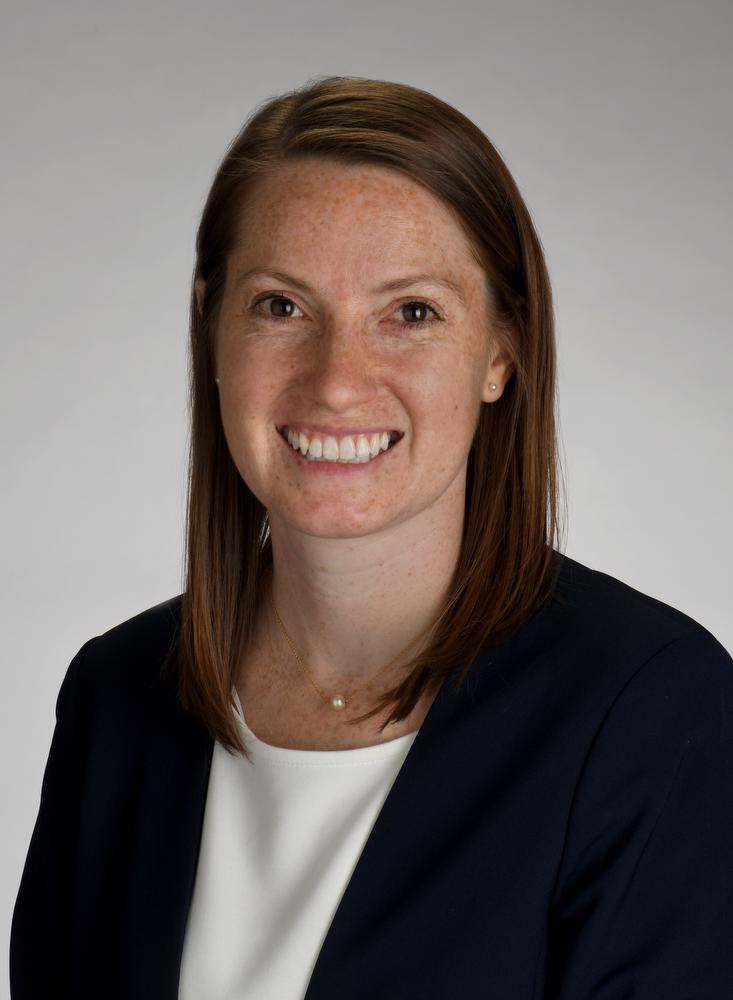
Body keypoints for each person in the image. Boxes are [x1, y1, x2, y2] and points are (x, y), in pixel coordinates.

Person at [10, 75, 733, 1000]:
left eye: (412, 312)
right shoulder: (117, 697)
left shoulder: (651, 712)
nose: (339, 381)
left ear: (501, 352)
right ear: (210, 325)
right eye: (281, 306)